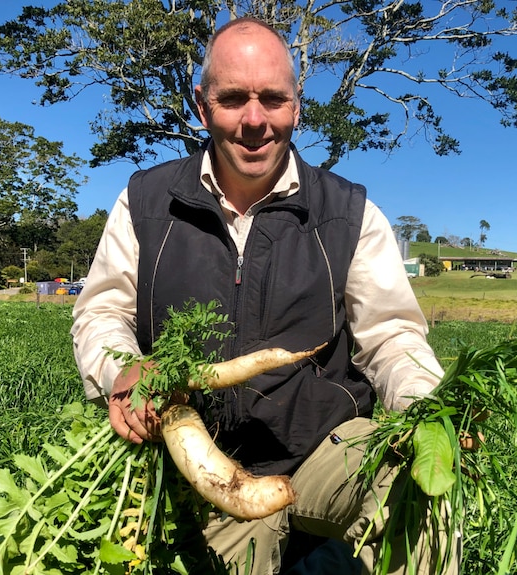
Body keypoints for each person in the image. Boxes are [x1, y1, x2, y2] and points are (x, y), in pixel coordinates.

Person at [71, 17, 459, 575]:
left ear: (296, 107)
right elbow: (102, 311)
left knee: (426, 496)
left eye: (273, 99)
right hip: (202, 468)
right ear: (203, 107)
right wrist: (125, 371)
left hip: (328, 448)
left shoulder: (348, 213)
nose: (255, 120)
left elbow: (391, 337)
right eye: (233, 99)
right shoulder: (147, 202)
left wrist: (430, 411)